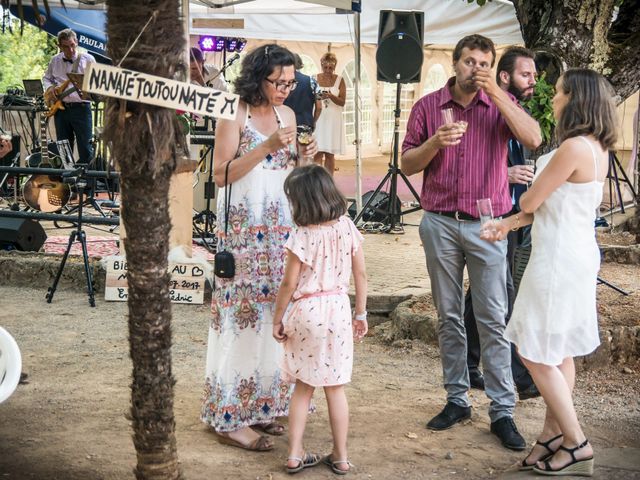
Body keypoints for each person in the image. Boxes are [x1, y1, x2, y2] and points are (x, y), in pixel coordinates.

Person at [400, 34, 541, 450]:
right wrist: (434, 144)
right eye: (468, 62)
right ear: (455, 63)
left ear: (492, 67)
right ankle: (457, 399)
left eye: (483, 63)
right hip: (440, 223)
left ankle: (502, 411)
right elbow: (406, 163)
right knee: (448, 316)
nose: (474, 69)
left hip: (488, 225)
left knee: (493, 319)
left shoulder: (498, 104)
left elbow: (533, 138)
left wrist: (496, 91)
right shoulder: (428, 107)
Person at [481, 68, 616, 476]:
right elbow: (548, 208)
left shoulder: (573, 147)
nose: (553, 99)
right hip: (576, 253)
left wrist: (511, 213)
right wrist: (505, 225)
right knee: (559, 351)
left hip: (556, 259)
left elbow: (533, 200)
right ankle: (550, 436)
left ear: (574, 99)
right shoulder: (597, 147)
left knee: (534, 350)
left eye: (558, 93)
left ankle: (576, 442)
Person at [200, 44, 317, 452]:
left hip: (280, 231)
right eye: (279, 82)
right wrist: (266, 145)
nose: (286, 89)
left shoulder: (289, 114)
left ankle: (263, 406)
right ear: (258, 77)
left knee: (274, 320)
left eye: (291, 82)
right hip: (243, 235)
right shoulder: (234, 111)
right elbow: (221, 173)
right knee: (240, 321)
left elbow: (290, 175)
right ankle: (230, 417)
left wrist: (304, 159)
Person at [272, 164, 368, 474]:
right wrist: (361, 312)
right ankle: (340, 455)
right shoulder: (347, 227)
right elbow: (361, 273)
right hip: (338, 310)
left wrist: (278, 317)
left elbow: (288, 283)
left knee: (303, 387)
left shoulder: (302, 234)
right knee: (335, 387)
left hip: (307, 311)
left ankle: (294, 453)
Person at [464, 46, 540, 400]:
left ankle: (468, 363)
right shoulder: (484, 108)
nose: (534, 81)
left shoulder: (515, 111)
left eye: (535, 75)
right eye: (527, 74)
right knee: (503, 295)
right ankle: (519, 378)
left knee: (483, 292)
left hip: (512, 217)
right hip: (490, 216)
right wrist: (505, 174)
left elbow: (532, 138)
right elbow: (465, 162)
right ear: (504, 76)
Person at [42, 29, 95, 165]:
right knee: (63, 147)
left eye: (72, 45)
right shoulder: (55, 60)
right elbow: (47, 78)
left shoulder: (88, 59)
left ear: (76, 42)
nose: (70, 49)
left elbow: (97, 82)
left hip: (82, 109)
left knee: (86, 147)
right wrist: (50, 88)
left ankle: (87, 182)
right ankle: (67, 180)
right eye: (66, 46)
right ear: (59, 46)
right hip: (61, 110)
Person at [313, 52, 346, 175]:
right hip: (319, 119)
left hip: (333, 120)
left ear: (334, 67)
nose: (328, 70)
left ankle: (328, 183)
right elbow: (310, 97)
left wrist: (331, 96)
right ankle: (315, 181)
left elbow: (342, 102)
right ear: (321, 65)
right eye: (325, 67)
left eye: (330, 68)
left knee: (330, 154)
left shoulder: (340, 80)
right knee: (317, 152)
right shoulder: (314, 78)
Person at [283, 54, 322, 131]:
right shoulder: (313, 81)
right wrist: (313, 122)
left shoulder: (282, 81)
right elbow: (319, 106)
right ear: (300, 64)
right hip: (305, 124)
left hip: (285, 124)